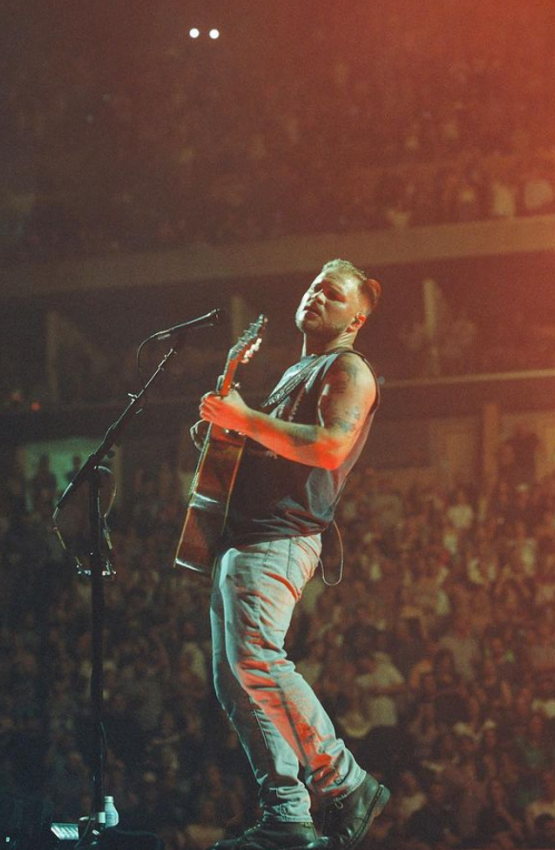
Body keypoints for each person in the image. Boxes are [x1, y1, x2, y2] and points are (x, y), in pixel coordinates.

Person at [197, 259, 389, 850]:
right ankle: (286, 814)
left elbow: (331, 447)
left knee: (256, 658)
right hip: (246, 538)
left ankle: (345, 780)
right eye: (312, 286)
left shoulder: (347, 368)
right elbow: (263, 448)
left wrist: (246, 419)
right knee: (236, 679)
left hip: (280, 537)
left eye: (331, 293)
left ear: (356, 316)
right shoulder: (297, 370)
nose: (315, 296)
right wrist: (227, 422)